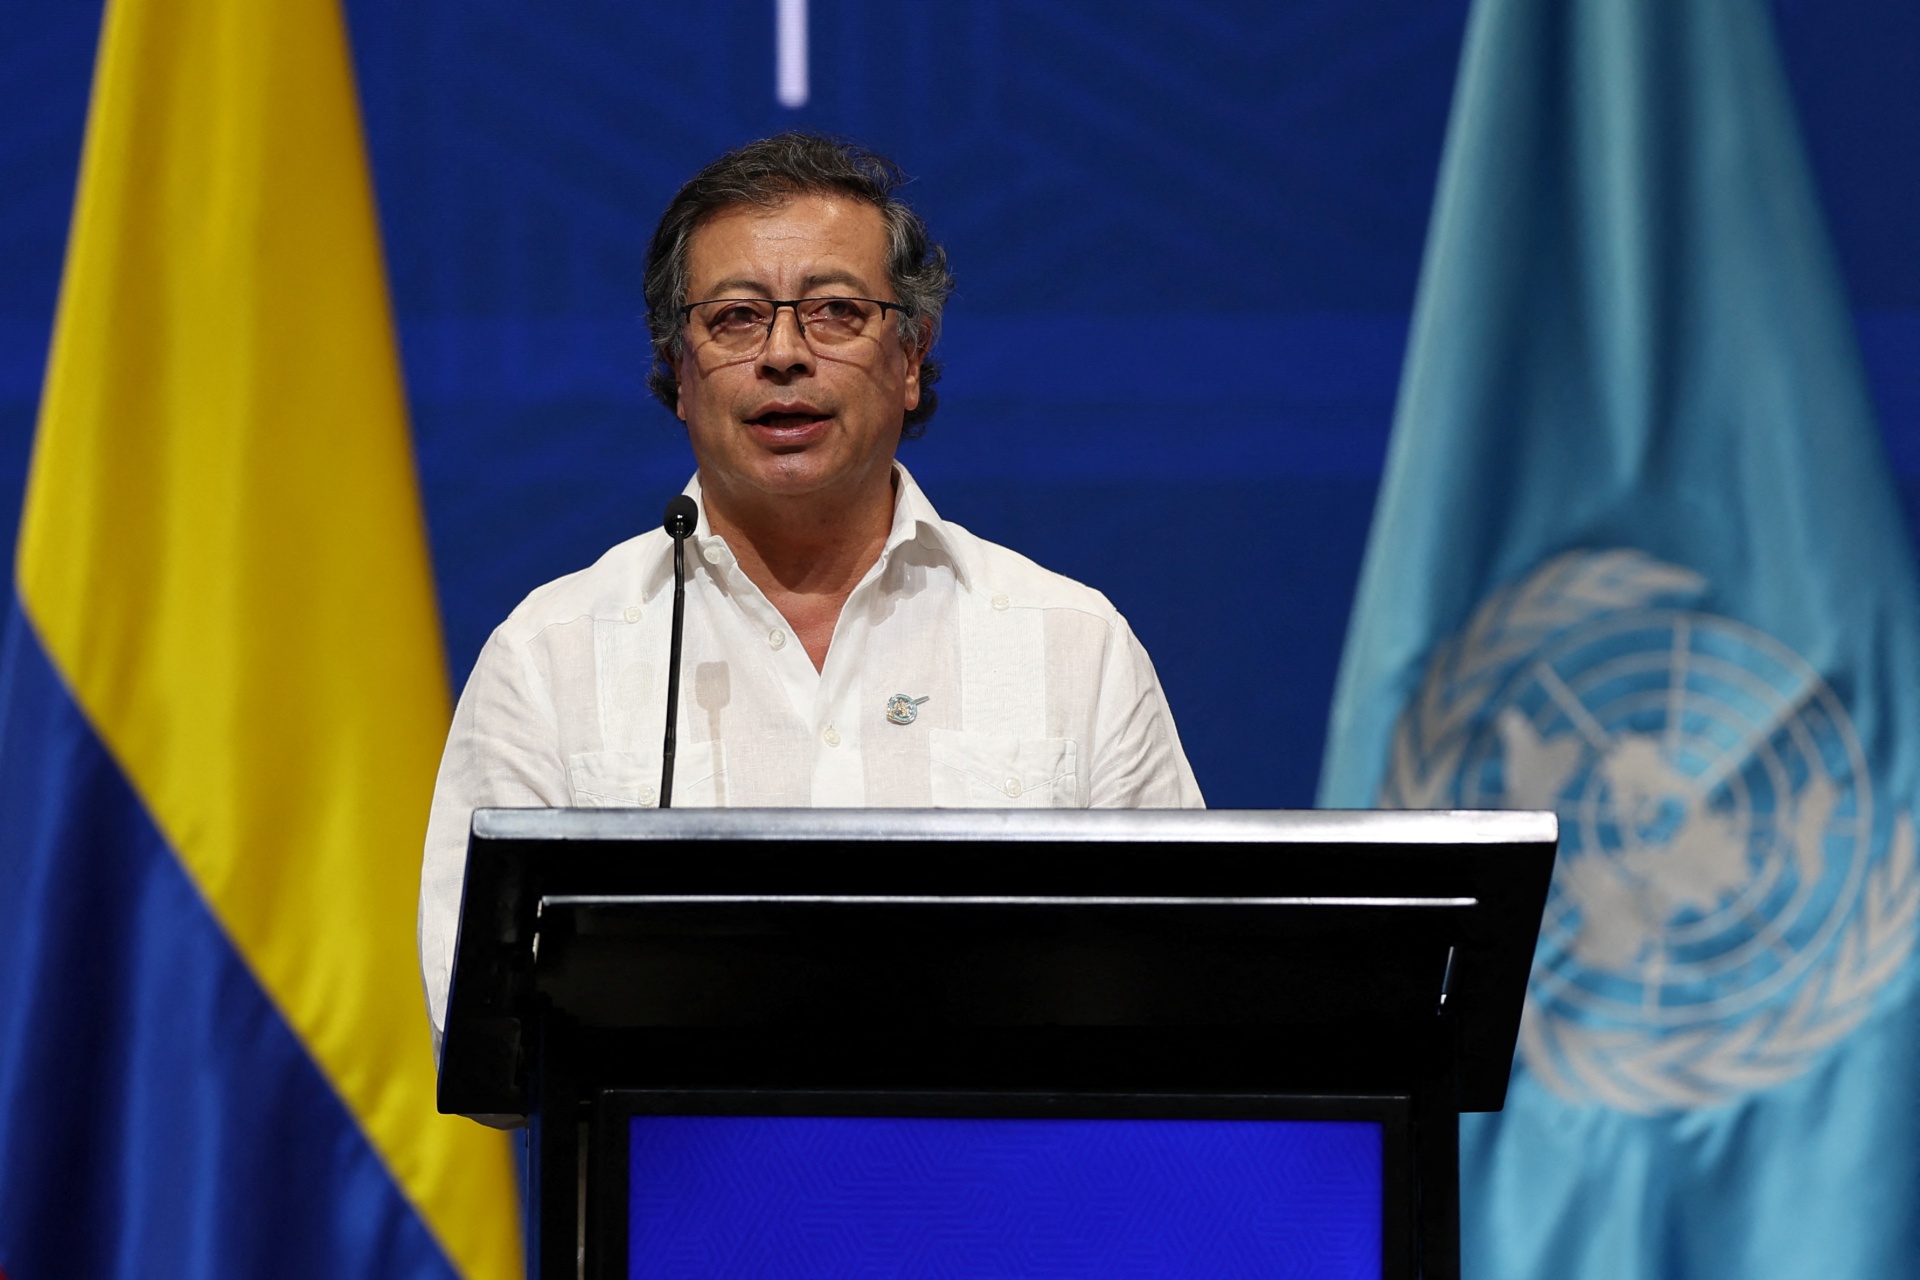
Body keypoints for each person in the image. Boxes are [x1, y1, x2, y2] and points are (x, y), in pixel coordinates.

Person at [417, 132, 1203, 1049]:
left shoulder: (1070, 644)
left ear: (910, 358)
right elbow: (484, 1031)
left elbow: (1184, 993)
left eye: (835, 312)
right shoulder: (552, 656)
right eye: (735, 318)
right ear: (677, 370)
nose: (784, 353)